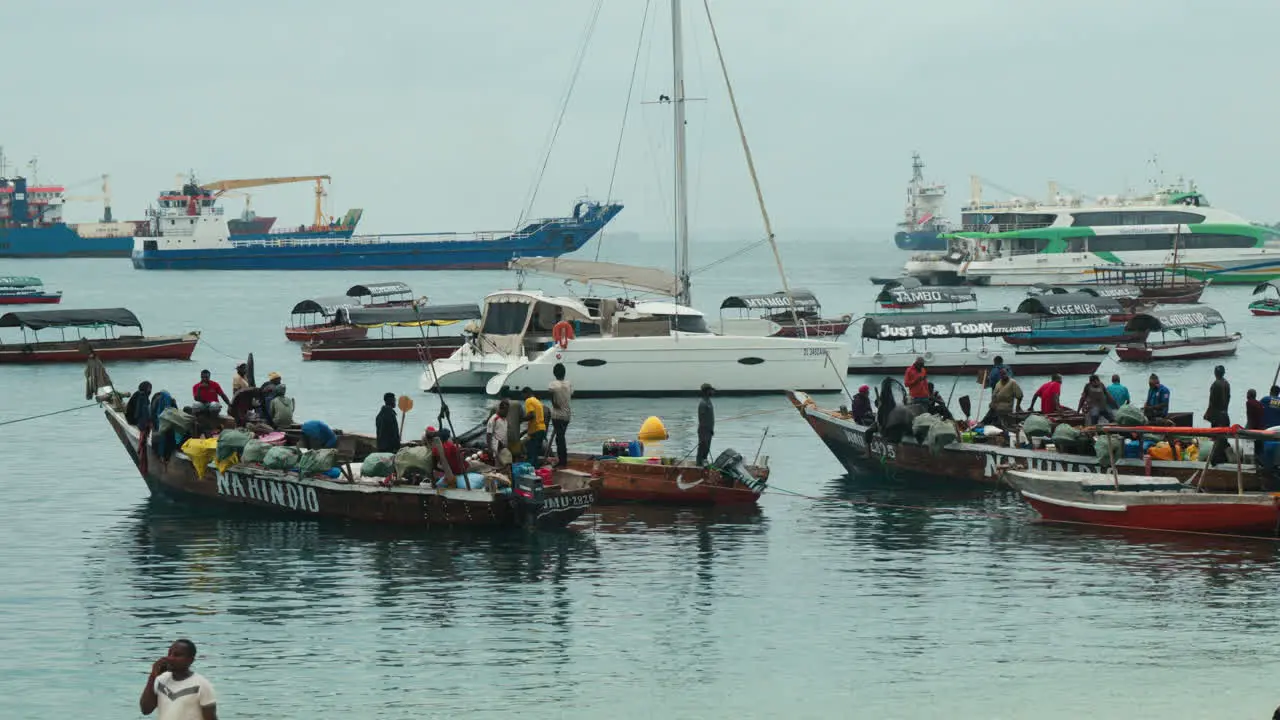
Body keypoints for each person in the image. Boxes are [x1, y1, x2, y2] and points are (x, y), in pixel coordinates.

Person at [139, 638, 218, 719]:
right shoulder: (160, 680)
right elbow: (146, 710)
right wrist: (153, 676)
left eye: (177, 655)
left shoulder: (202, 684)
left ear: (190, 660)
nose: (170, 658)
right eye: (169, 654)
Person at [547, 363, 573, 467]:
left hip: (557, 415)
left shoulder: (553, 385)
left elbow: (551, 396)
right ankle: (563, 459)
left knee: (560, 438)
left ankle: (562, 461)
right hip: (567, 414)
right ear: (564, 373)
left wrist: (554, 403)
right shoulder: (569, 384)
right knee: (561, 437)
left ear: (554, 373)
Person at [1206, 365, 1231, 465]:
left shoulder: (1215, 384)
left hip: (1217, 415)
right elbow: (1228, 398)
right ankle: (1224, 458)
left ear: (1215, 373)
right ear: (1223, 373)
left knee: (1216, 437)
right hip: (1225, 414)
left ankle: (1215, 460)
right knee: (1223, 437)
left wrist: (1208, 413)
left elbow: (1212, 401)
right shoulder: (1227, 384)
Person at [522, 386, 547, 466]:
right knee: (535, 453)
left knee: (531, 452)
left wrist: (521, 419)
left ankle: (530, 472)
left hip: (535, 430)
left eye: (523, 395)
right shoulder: (537, 401)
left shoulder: (528, 401)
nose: (523, 398)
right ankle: (536, 470)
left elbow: (531, 415)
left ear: (526, 393)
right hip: (542, 429)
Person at [697, 382, 715, 465]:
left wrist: (711, 429)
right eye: (711, 390)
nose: (712, 392)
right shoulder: (703, 403)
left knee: (707, 449)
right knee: (702, 448)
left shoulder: (709, 401)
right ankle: (698, 464)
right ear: (706, 391)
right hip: (704, 430)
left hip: (709, 430)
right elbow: (702, 419)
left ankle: (704, 462)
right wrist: (705, 432)